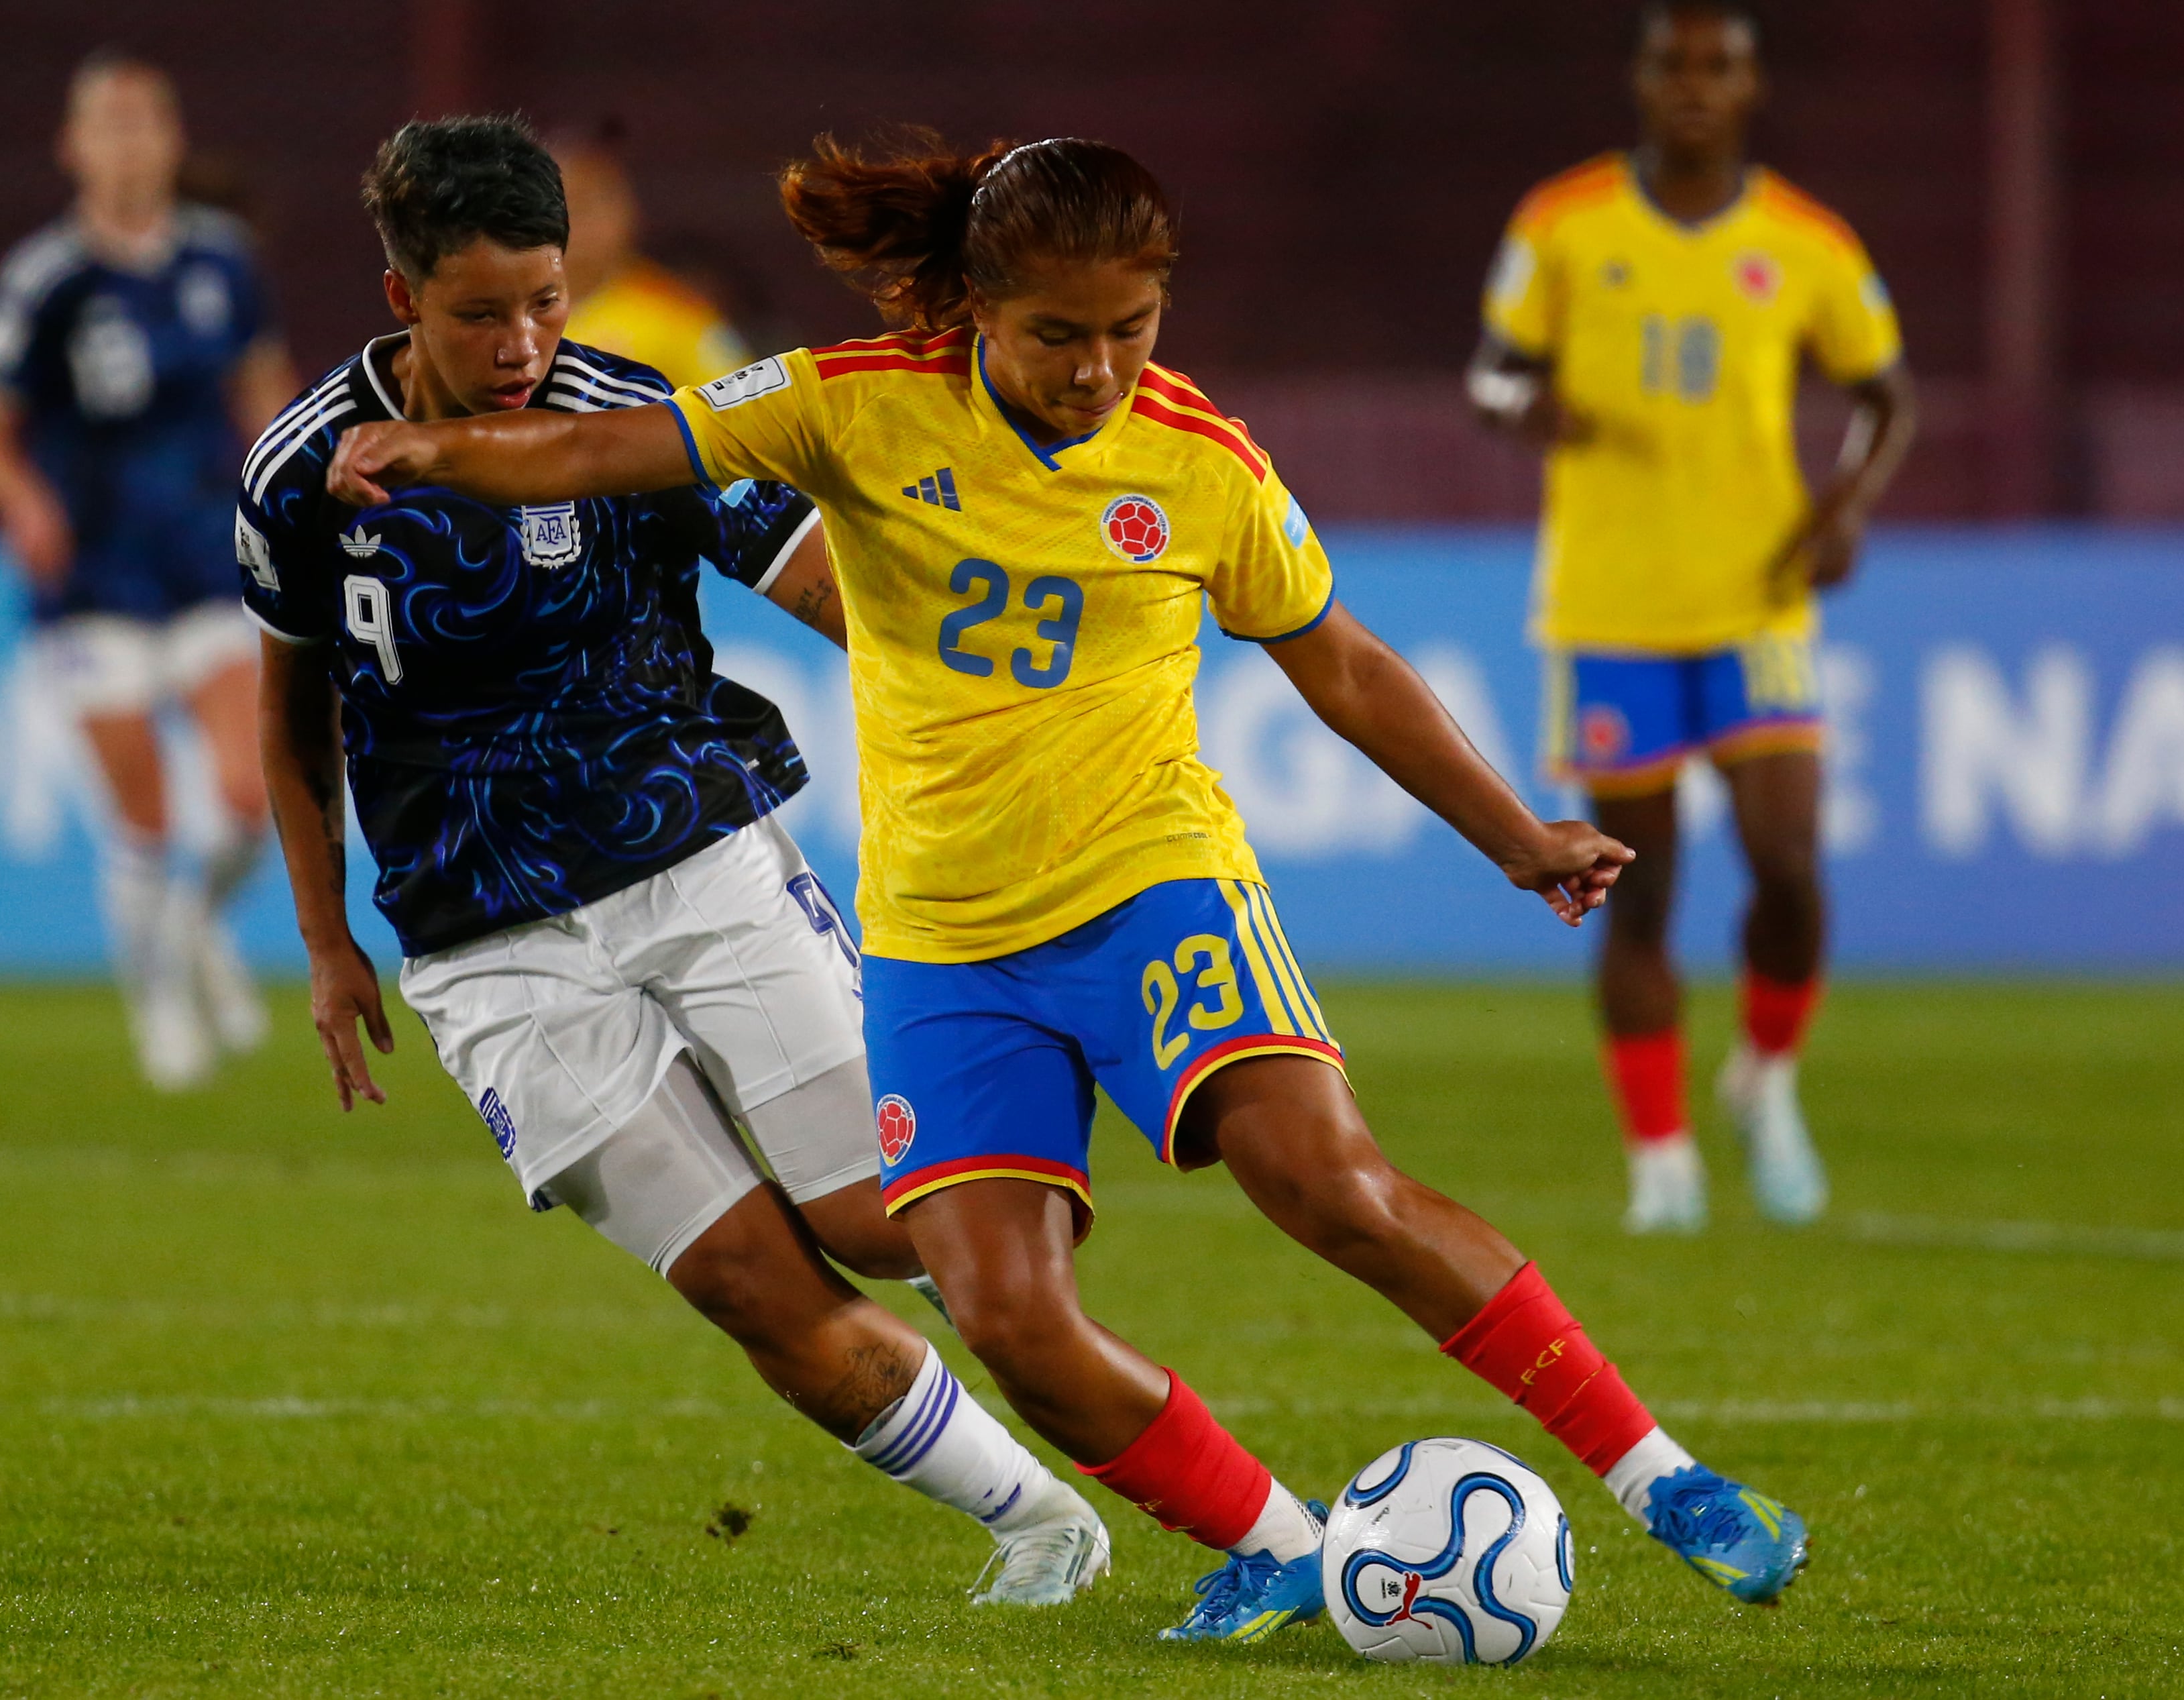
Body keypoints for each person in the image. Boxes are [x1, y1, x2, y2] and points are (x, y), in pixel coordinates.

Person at [322, 129, 1818, 1642]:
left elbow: (1346, 662)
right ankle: (1275, 1547)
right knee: (1009, 1319)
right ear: (973, 307)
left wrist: (1515, 834)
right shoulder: (846, 403)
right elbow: (595, 452)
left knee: (1328, 1185)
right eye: (1056, 334)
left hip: (1149, 886)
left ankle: (1659, 1475)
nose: (1097, 368)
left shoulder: (1199, 462)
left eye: (1130, 329)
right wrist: (432, 447)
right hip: (941, 948)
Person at [245, 115, 1109, 1608]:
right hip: (481, 934)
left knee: (882, 1222)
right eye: (478, 312)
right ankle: (1042, 1521)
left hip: (695, 859)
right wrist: (328, 944)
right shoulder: (300, 473)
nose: (520, 342)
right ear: (402, 302)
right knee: (743, 1282)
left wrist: (992, 706)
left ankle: (1045, 1122)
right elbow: (290, 714)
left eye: (545, 299)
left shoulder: (635, 420)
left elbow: (826, 582)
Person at [1467, 0, 1916, 1233]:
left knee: (1787, 868)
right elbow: (1491, 367)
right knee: (1644, 888)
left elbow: (1886, 394)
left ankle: (1764, 1078)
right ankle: (1660, 1161)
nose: (1696, 86)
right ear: (1642, 77)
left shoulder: (1806, 241)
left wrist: (1844, 507)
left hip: (1756, 600)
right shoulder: (1562, 223)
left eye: (1720, 65)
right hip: (1611, 607)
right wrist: (1524, 408)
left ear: (1751, 82)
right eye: (1675, 63)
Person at [0, 50, 301, 1089]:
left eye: (147, 121)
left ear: (174, 140)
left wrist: (287, 497)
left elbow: (264, 394)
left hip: (201, 559)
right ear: (73, 147)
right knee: (141, 811)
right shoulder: (47, 278)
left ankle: (197, 926)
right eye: (110, 124)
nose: (130, 142)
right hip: (93, 577)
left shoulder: (223, 262)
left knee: (248, 793)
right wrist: (24, 499)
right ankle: (157, 1000)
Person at [549, 134, 753, 386]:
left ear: (625, 214)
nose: (570, 223)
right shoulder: (507, 316)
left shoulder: (674, 316)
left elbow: (741, 406)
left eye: (583, 207)